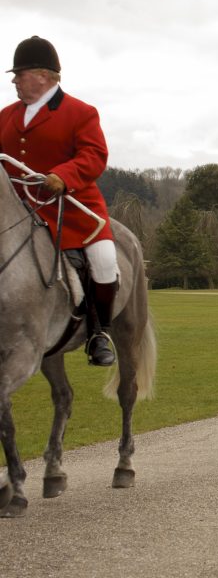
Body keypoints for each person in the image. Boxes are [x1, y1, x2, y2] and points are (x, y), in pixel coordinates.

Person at [0, 36, 117, 366]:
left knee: (105, 259)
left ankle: (99, 333)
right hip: (19, 209)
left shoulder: (80, 112)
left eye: (19, 74)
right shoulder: (6, 115)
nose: (14, 81)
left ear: (42, 75)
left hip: (73, 208)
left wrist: (63, 176)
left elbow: (95, 155)